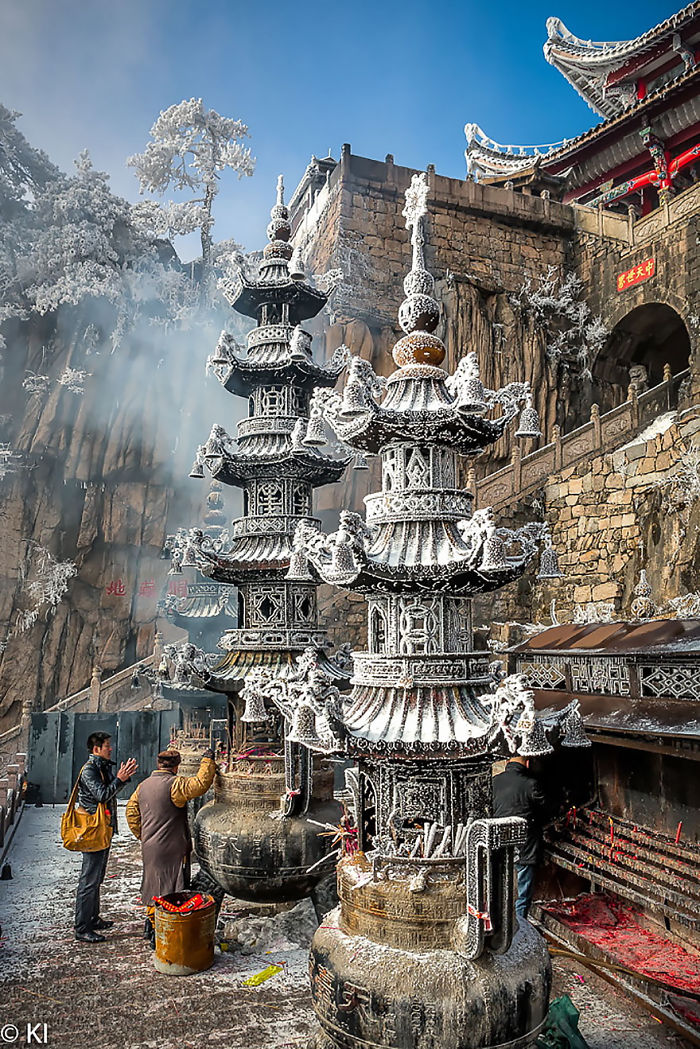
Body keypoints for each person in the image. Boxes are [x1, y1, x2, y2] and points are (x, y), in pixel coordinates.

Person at [126, 748, 216, 947]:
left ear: (158, 764)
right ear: (176, 767)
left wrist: (144, 836)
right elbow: (200, 784)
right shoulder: (175, 785)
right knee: (171, 889)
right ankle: (160, 934)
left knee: (153, 885)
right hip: (171, 849)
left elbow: (131, 812)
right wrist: (207, 762)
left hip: (151, 848)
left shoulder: (142, 786)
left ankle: (150, 926)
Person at [74, 731, 138, 943]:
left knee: (97, 878)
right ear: (96, 749)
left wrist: (120, 778)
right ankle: (82, 927)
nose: (110, 749)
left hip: (103, 829)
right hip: (92, 830)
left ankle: (93, 918)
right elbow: (102, 795)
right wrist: (120, 779)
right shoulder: (89, 770)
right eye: (107, 746)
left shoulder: (101, 767)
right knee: (89, 880)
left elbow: (110, 789)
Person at [492, 754, 548, 922]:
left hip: (500, 844)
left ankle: (499, 925)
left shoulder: (494, 781)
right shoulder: (531, 784)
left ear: (507, 762)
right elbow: (545, 811)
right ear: (528, 764)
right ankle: (520, 925)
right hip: (525, 846)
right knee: (522, 893)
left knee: (500, 888)